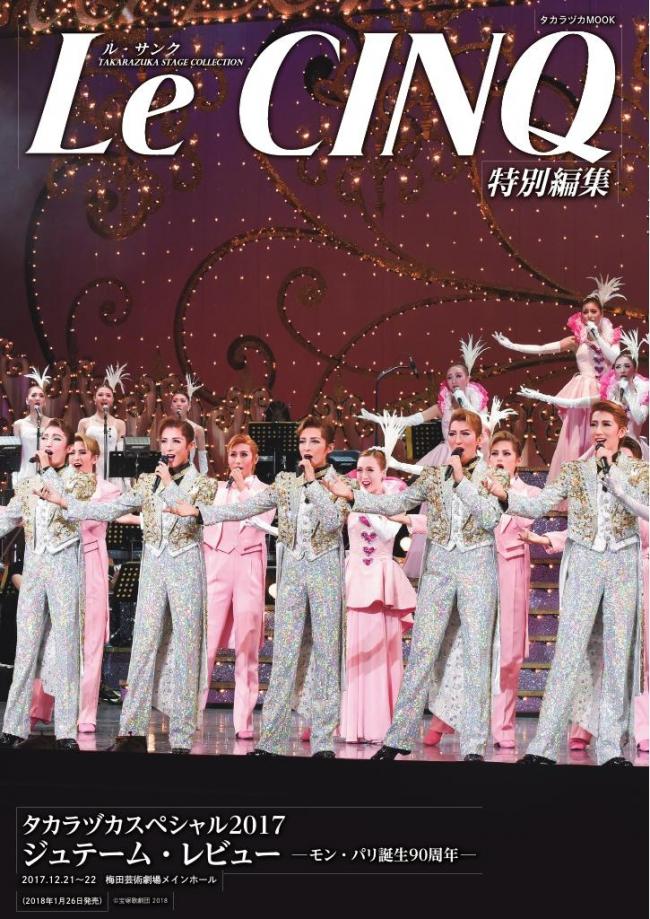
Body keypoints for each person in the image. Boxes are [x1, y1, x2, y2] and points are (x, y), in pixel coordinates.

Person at [327, 409, 508, 762]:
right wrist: (354, 498)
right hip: (439, 569)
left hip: (476, 569)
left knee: (476, 655)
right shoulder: (433, 475)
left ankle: (473, 745)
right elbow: (398, 502)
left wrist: (462, 481)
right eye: (453, 434)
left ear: (479, 439)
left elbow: (489, 518)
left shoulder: (494, 475)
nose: (457, 440)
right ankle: (398, 737)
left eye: (465, 434)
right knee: (422, 652)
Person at [166, 416, 351, 758]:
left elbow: (331, 521)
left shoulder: (342, 485)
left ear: (329, 447)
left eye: (314, 442)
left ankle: (323, 741)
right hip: (291, 577)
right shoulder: (285, 482)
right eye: (303, 441)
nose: (307, 448)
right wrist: (200, 513)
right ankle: (271, 741)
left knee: (326, 657)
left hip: (324, 575)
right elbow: (249, 507)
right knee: (283, 659)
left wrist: (313, 483)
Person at [38, 418, 218, 753]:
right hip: (153, 568)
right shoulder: (148, 481)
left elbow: (190, 514)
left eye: (176, 441)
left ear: (190, 446)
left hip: (186, 569)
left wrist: (169, 483)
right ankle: (130, 731)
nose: (168, 448)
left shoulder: (205, 484)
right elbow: (113, 508)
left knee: (186, 649)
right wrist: (67, 504)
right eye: (164, 441)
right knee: (143, 647)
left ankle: (181, 736)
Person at [484, 401, 647, 766]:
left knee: (617, 655)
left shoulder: (637, 471)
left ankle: (610, 747)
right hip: (586, 560)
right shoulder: (575, 470)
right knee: (568, 653)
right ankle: (543, 746)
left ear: (622, 431)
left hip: (622, 562)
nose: (599, 430)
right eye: (595, 424)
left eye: (606, 424)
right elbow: (538, 505)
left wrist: (618, 484)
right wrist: (503, 495)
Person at [415, 430, 541, 749]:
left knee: (508, 654)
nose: (500, 459)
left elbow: (525, 518)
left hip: (511, 573)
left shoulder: (527, 493)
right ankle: (445, 719)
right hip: (476, 571)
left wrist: (501, 492)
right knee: (465, 649)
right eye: (495, 453)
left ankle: (503, 726)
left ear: (518, 460)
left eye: (507, 454)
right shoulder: (473, 485)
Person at [0, 420, 96, 751]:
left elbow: (70, 507)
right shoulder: (28, 484)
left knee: (66, 648)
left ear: (68, 448)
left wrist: (47, 471)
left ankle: (66, 730)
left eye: (57, 438)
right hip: (35, 570)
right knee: (25, 648)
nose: (49, 443)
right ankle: (13, 727)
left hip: (64, 568)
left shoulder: (80, 480)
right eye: (45, 438)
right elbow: (7, 518)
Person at [361, 337, 490, 578]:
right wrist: (378, 419)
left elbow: (480, 425)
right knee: (432, 504)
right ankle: (429, 558)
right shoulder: (444, 403)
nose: (453, 381)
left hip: (471, 456)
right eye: (449, 377)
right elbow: (413, 419)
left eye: (458, 376)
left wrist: (463, 401)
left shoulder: (476, 401)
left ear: (468, 378)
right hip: (445, 455)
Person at [29, 434, 121, 734]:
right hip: (61, 561)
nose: (77, 457)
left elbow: (94, 517)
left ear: (95, 457)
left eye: (84, 452)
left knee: (91, 641)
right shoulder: (57, 483)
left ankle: (86, 714)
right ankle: (39, 708)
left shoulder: (107, 489)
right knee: (53, 636)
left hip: (91, 561)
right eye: (74, 452)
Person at [494, 275, 623, 481]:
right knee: (577, 437)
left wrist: (598, 337)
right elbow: (543, 348)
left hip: (605, 392)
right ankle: (575, 485)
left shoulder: (611, 337)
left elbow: (616, 359)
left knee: (604, 435)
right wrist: (512, 345)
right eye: (585, 312)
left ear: (601, 313)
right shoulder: (576, 340)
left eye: (593, 311)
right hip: (582, 389)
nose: (589, 315)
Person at [339, 449, 415, 744]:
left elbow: (385, 532)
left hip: (383, 584)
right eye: (360, 470)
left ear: (384, 473)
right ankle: (353, 726)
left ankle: (382, 726)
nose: (364, 476)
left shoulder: (394, 501)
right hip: (356, 579)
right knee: (355, 652)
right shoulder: (350, 500)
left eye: (370, 470)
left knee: (383, 655)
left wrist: (363, 501)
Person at [202, 433, 274, 738]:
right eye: (233, 455)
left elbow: (262, 518)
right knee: (206, 644)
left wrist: (243, 487)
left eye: (244, 455)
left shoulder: (266, 491)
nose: (238, 460)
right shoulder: (216, 490)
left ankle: (243, 723)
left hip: (248, 566)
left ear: (254, 459)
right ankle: (190, 717)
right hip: (218, 564)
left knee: (247, 645)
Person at [518, 329, 648, 457]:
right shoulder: (609, 395)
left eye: (627, 366)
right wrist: (540, 396)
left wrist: (629, 397)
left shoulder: (644, 393)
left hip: (634, 451)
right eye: (618, 367)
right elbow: (575, 403)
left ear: (634, 369)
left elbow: (639, 418)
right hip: (611, 451)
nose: (622, 370)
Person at [78, 364, 128, 485]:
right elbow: (78, 450)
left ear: (113, 400)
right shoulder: (84, 423)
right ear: (94, 399)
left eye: (108, 395)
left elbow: (121, 453)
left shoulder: (119, 424)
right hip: (91, 470)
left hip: (112, 471)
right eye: (100, 395)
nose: (104, 398)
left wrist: (125, 480)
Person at [12, 366, 52, 485]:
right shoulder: (19, 424)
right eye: (33, 395)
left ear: (45, 402)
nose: (37, 398)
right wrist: (15, 477)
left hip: (47, 475)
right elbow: (16, 454)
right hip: (25, 475)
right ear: (27, 400)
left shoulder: (52, 423)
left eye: (41, 395)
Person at [169, 374, 209, 474]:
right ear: (171, 406)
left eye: (183, 401)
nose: (178, 404)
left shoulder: (197, 429)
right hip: (169, 473)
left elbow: (202, 456)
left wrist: (203, 478)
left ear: (189, 406)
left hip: (188, 474)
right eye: (175, 401)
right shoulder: (166, 428)